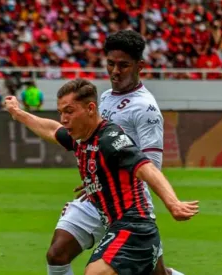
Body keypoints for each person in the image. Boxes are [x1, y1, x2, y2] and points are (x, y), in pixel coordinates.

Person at [4, 79, 199, 275]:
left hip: (134, 227)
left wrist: (173, 203)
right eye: (61, 112)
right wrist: (18, 113)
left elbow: (146, 167)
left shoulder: (109, 138)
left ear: (90, 108)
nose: (63, 119)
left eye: (69, 111)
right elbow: (52, 130)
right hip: (115, 223)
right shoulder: (81, 137)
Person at [45, 30, 184, 275]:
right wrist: (96, 177)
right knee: (57, 254)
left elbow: (151, 163)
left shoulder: (146, 108)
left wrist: (106, 179)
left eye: (123, 65)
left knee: (155, 273)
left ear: (139, 66)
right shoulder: (106, 97)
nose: (115, 71)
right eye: (111, 64)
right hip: (98, 196)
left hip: (127, 201)